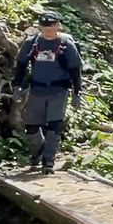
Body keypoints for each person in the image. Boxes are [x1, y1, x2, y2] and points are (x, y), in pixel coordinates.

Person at [13, 11, 83, 174]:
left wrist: (77, 93)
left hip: (58, 90)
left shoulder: (66, 45)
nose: (48, 29)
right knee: (31, 126)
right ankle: (39, 150)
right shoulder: (32, 43)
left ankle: (48, 161)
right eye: (45, 26)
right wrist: (17, 86)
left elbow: (75, 70)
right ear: (40, 27)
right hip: (37, 89)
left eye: (51, 26)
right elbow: (21, 65)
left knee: (54, 126)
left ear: (58, 25)